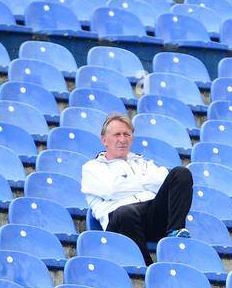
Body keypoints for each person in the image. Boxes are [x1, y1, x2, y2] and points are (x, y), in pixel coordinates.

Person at [82, 112, 193, 264]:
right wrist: (145, 181)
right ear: (104, 140)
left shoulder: (142, 162)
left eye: (126, 134)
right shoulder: (92, 168)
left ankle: (174, 235)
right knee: (126, 212)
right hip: (120, 220)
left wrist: (126, 181)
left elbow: (162, 180)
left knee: (181, 173)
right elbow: (111, 189)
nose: (122, 139)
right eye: (117, 135)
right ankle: (147, 267)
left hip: (150, 214)